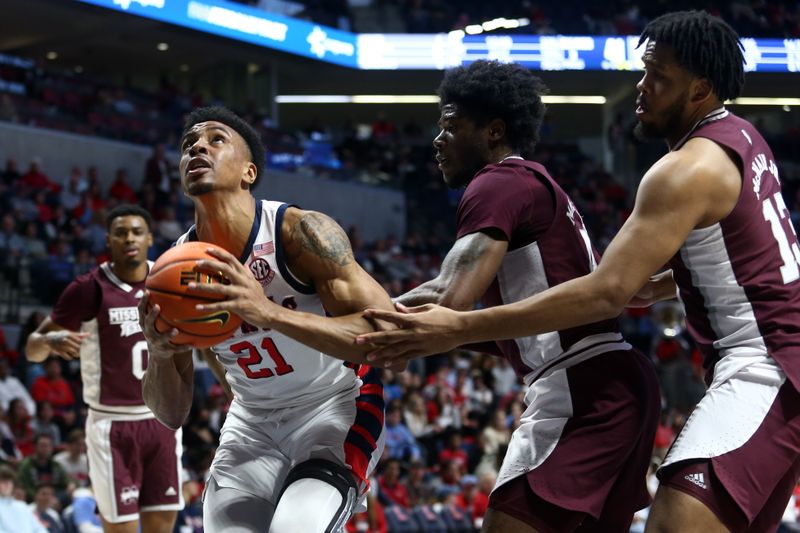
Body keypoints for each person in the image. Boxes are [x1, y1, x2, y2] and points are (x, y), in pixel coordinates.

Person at [358, 11, 800, 533]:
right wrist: (663, 286)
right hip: (765, 363)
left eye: (659, 77)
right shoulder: (746, 141)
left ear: (700, 89)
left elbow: (605, 294)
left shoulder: (683, 170)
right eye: (644, 72)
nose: (642, 87)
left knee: (675, 523)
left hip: (764, 364)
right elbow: (750, 259)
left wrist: (457, 326)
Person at [355, 59, 661, 532]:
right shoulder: (536, 185)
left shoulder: (497, 182)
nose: (438, 141)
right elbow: (505, 324)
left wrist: (346, 319)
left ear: (493, 132)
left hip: (582, 386)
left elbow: (448, 299)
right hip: (611, 381)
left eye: (451, 126)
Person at [137, 106, 393, 532]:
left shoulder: (301, 233)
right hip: (251, 423)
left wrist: (268, 312)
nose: (197, 146)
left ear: (249, 172)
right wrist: (161, 354)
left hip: (334, 407)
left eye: (216, 139)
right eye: (188, 145)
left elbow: (385, 335)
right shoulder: (174, 273)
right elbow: (171, 413)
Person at [25, 204, 197, 533]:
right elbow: (32, 349)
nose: (128, 238)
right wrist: (49, 340)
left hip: (161, 420)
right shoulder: (88, 288)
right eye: (120, 233)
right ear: (108, 240)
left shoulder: (169, 280)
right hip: (111, 425)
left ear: (149, 238)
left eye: (136, 232)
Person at [0, 464, 47, 533]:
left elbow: (39, 529)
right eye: (3, 481)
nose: (8, 484)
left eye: (10, 481)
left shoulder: (22, 506)